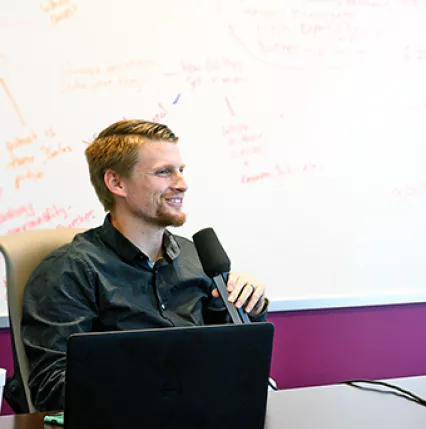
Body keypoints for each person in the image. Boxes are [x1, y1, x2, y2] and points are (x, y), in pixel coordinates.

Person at [4, 120, 269, 413]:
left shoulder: (196, 258)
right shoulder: (68, 271)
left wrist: (249, 311)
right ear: (116, 183)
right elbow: (52, 391)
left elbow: (237, 361)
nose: (182, 183)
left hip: (202, 422)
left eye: (181, 170)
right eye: (164, 172)